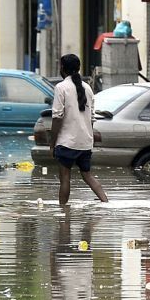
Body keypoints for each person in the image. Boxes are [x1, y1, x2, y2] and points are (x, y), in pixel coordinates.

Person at [49, 53, 107, 206]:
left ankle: (63, 213)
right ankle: (106, 203)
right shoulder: (87, 88)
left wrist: (52, 143)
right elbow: (91, 119)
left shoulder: (61, 87)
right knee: (88, 176)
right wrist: (88, 138)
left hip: (67, 142)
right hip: (85, 142)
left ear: (63, 68)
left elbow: (57, 118)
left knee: (65, 178)